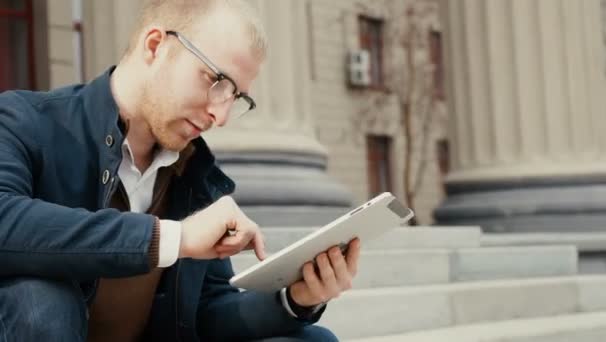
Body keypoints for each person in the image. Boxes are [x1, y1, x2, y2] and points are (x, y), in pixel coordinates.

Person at [0, 0, 361, 341]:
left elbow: (206, 311)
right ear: (156, 45)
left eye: (236, 99)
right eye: (216, 81)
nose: (220, 117)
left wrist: (295, 298)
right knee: (39, 298)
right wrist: (173, 239)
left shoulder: (196, 174)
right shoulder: (24, 121)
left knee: (312, 338)